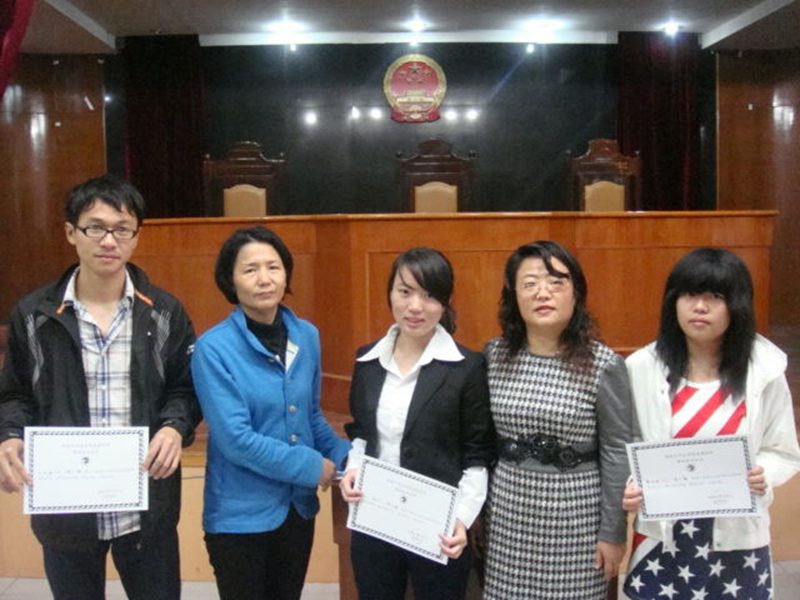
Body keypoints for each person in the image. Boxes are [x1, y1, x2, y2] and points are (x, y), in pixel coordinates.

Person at [0, 175, 200, 600]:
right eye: (95, 227)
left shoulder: (165, 312)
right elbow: (14, 393)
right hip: (66, 506)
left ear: (136, 237)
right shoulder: (33, 316)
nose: (109, 240)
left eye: (122, 229)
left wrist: (173, 427)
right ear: (71, 232)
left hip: (146, 505)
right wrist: (10, 435)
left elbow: (185, 389)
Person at [622, 247, 800, 599]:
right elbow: (627, 446)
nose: (700, 307)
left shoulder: (765, 369)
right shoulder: (641, 367)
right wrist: (631, 485)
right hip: (663, 540)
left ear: (737, 306)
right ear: (673, 302)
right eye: (689, 295)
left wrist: (763, 473)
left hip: (738, 541)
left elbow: (783, 451)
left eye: (715, 297)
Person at [191, 226, 350, 600]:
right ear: (230, 281)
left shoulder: (306, 335)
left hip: (297, 510)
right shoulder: (213, 348)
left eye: (273, 267)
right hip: (239, 518)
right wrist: (313, 466)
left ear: (286, 274)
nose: (264, 279)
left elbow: (311, 416)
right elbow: (236, 441)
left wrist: (347, 457)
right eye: (250, 270)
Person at [339, 247, 495, 600]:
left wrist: (461, 519)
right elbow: (361, 433)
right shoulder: (367, 360)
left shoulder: (467, 368)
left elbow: (476, 455)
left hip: (438, 524)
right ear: (390, 294)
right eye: (405, 291)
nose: (415, 307)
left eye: (429, 295)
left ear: (445, 302)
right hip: (375, 517)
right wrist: (353, 469)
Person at [482, 240, 635, 600]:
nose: (543, 293)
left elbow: (617, 452)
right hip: (507, 514)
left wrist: (613, 532)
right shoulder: (494, 355)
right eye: (530, 283)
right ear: (514, 296)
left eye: (556, 282)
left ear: (576, 293)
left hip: (576, 519)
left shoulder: (603, 364)